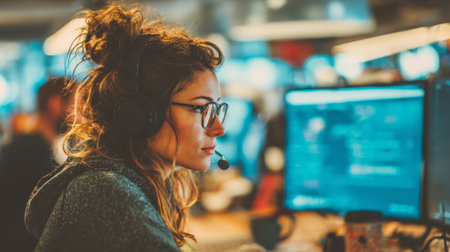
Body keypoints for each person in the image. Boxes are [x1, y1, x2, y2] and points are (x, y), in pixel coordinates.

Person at [24, 3, 227, 251]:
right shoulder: (106, 194)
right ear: (139, 115)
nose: (218, 128)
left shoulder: (132, 183)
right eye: (201, 108)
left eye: (217, 109)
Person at [0, 77, 75, 252]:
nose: (80, 115)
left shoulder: (26, 147)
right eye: (75, 104)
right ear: (55, 104)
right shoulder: (32, 155)